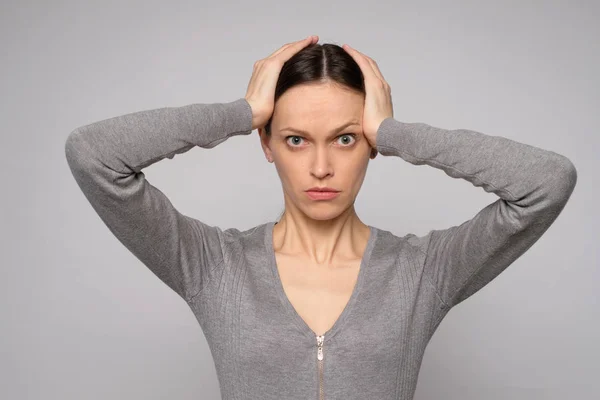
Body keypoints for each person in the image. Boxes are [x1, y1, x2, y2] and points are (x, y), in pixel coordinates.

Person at [64, 35, 577, 400]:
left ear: (369, 145)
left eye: (346, 138)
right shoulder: (213, 265)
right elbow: (94, 155)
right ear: (268, 144)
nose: (321, 167)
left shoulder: (424, 271)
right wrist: (242, 112)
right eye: (295, 140)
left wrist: (394, 132)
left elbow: (546, 183)